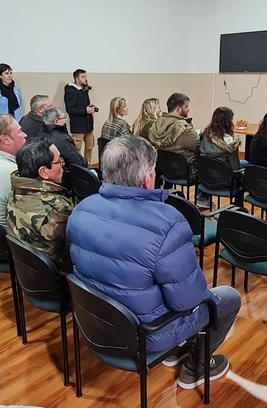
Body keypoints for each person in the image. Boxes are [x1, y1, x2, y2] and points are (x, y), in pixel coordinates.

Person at [66, 135, 241, 389]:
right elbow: (188, 301)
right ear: (148, 178)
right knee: (228, 298)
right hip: (148, 334)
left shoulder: (81, 209)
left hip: (97, 322)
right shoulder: (167, 223)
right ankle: (195, 367)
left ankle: (175, 350)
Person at [7, 137, 74, 272]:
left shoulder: (16, 191)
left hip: (26, 270)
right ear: (44, 172)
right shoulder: (58, 209)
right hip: (55, 276)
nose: (63, 165)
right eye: (59, 161)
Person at [0, 115, 26, 229]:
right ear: (6, 140)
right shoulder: (14, 172)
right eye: (19, 131)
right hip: (4, 234)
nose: (25, 135)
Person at [148, 93, 198, 165]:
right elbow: (199, 147)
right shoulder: (184, 129)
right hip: (188, 168)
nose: (188, 109)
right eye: (186, 107)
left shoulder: (156, 124)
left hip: (164, 168)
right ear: (179, 109)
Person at [64, 69, 95, 163]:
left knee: (90, 146)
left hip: (88, 124)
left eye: (86, 76)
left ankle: (88, 165)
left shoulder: (84, 89)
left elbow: (84, 105)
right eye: (83, 77)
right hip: (78, 126)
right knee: (77, 149)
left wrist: (90, 108)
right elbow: (69, 109)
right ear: (76, 78)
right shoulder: (71, 91)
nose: (85, 78)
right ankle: (77, 167)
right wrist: (85, 110)